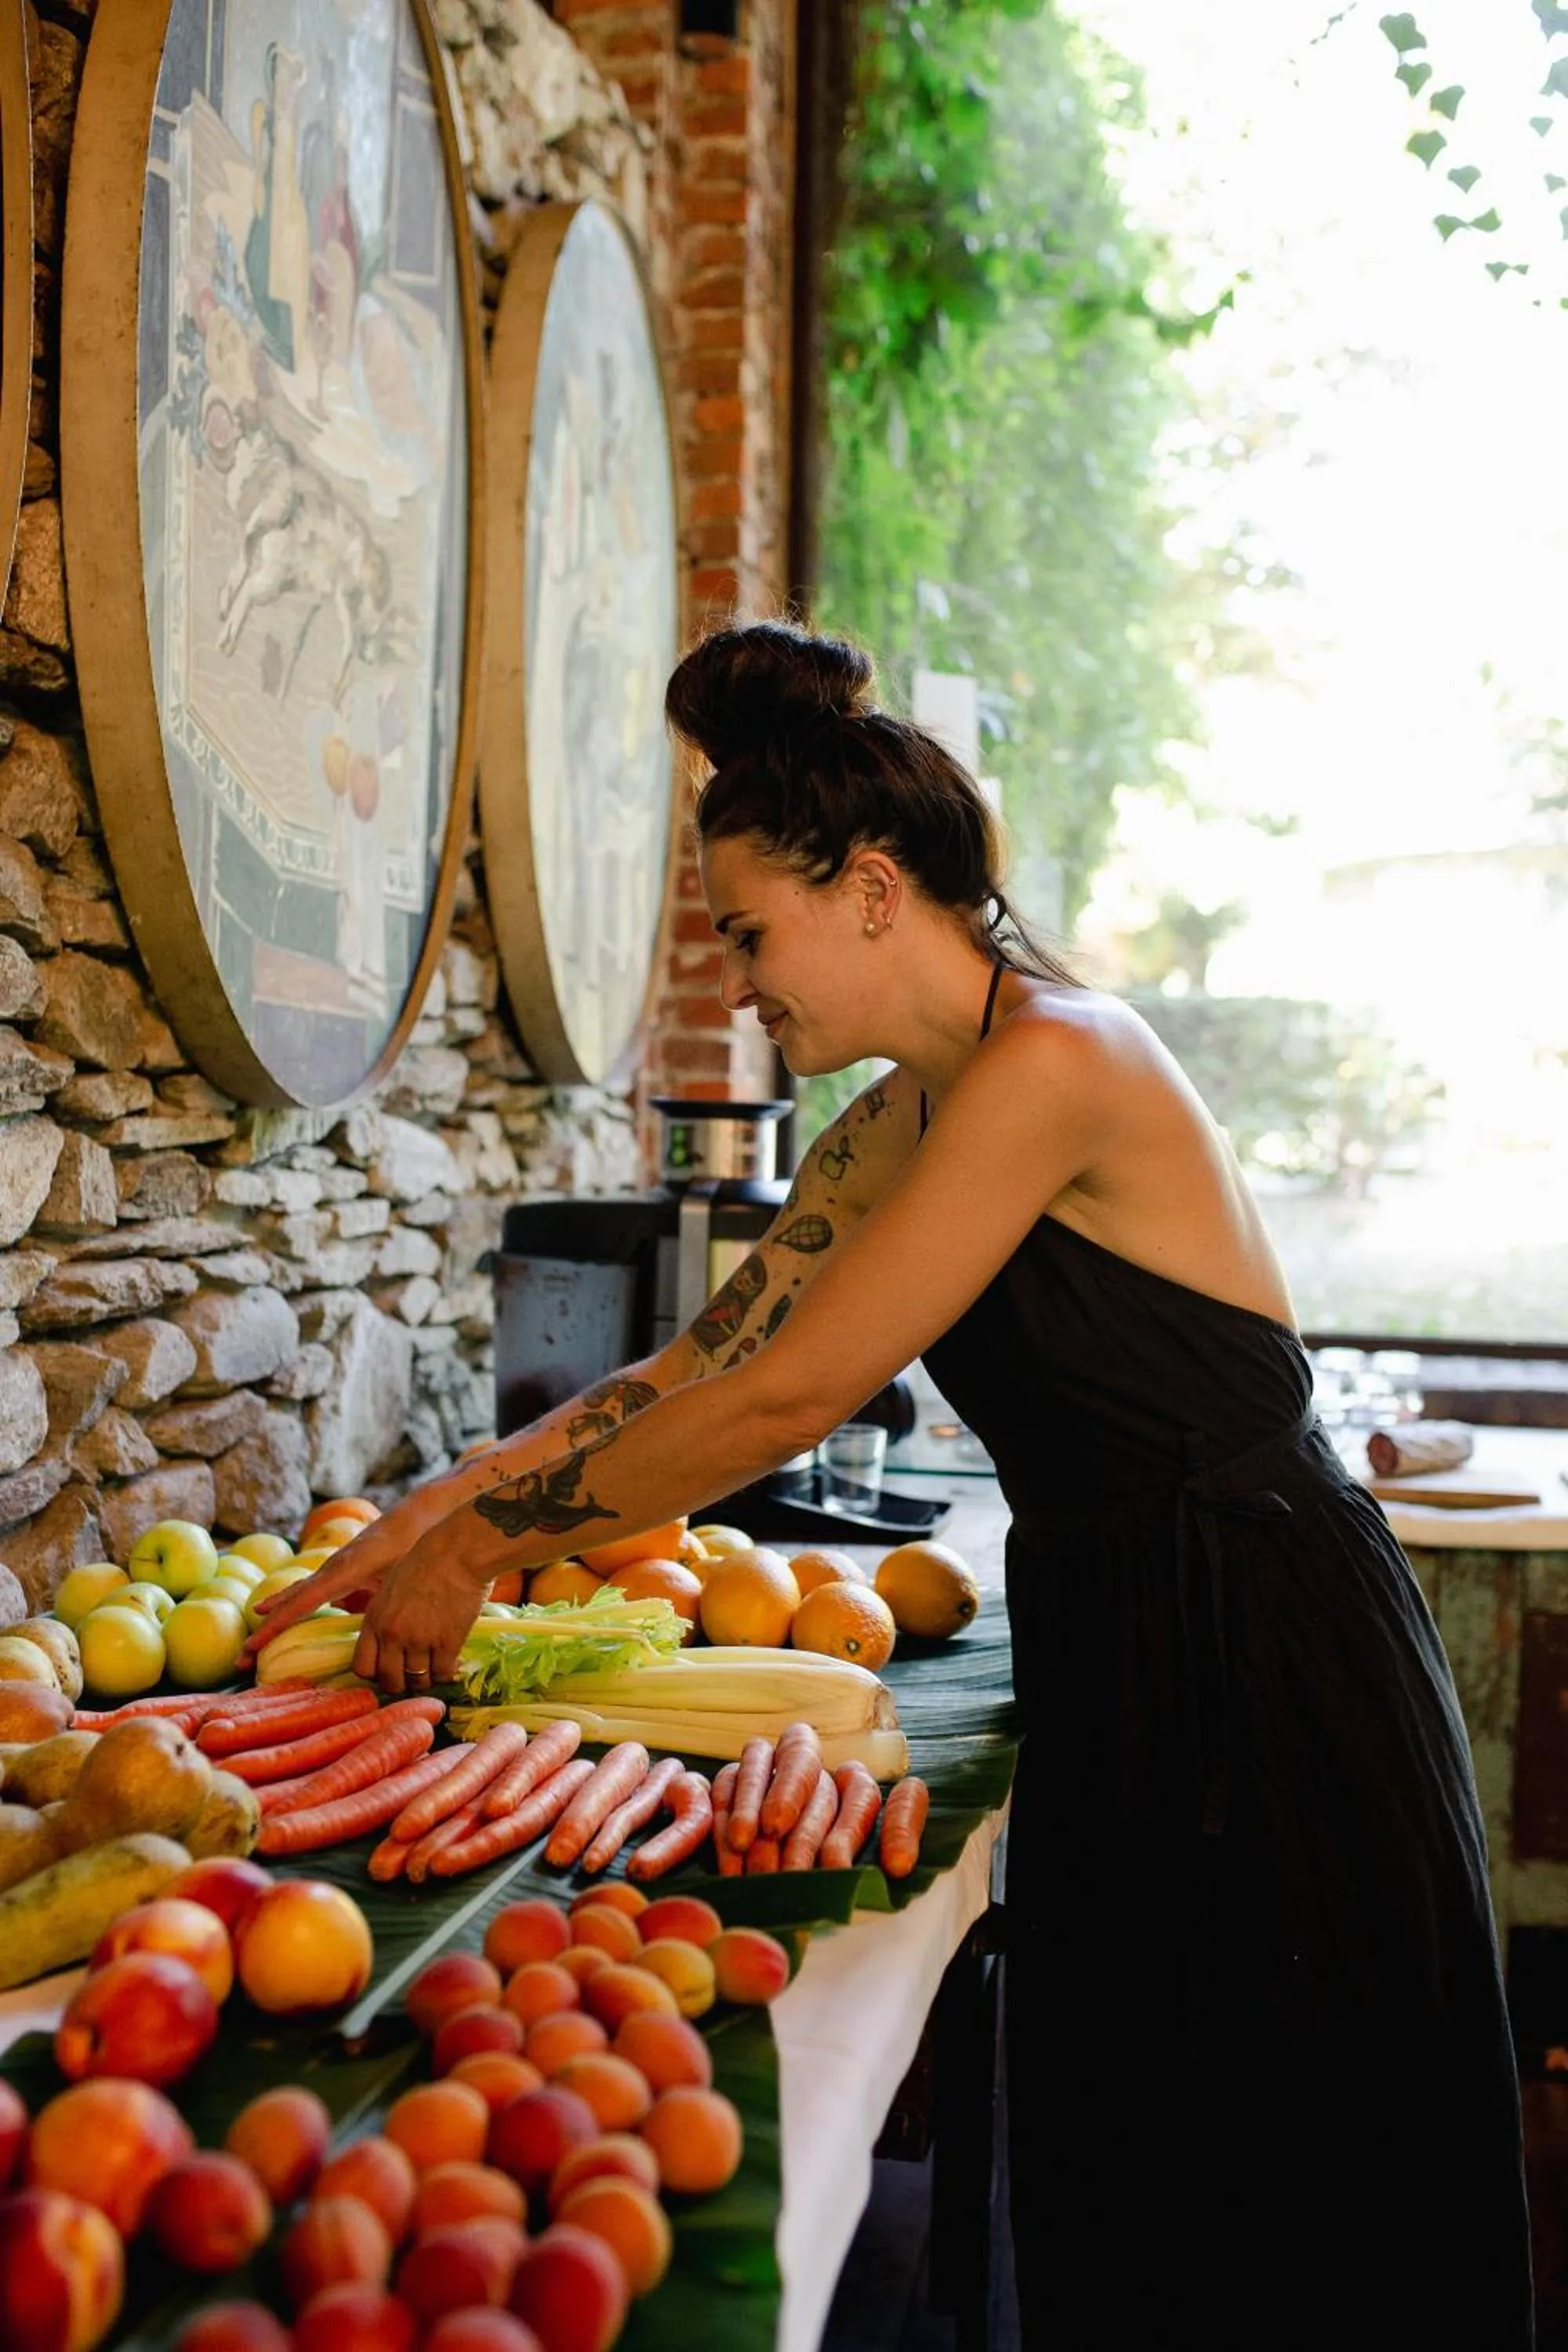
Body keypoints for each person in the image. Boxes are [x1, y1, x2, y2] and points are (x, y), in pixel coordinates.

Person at [252, 621, 1534, 2345]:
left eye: (746, 935)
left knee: (1284, 2186)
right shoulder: (892, 1123)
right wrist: (416, 1524)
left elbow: (791, 1392)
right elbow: (689, 1367)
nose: (736, 985)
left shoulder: (1060, 1063)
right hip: (1118, 1627)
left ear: (869, 888)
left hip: (1266, 1643)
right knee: (1133, 2163)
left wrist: (473, 1555)